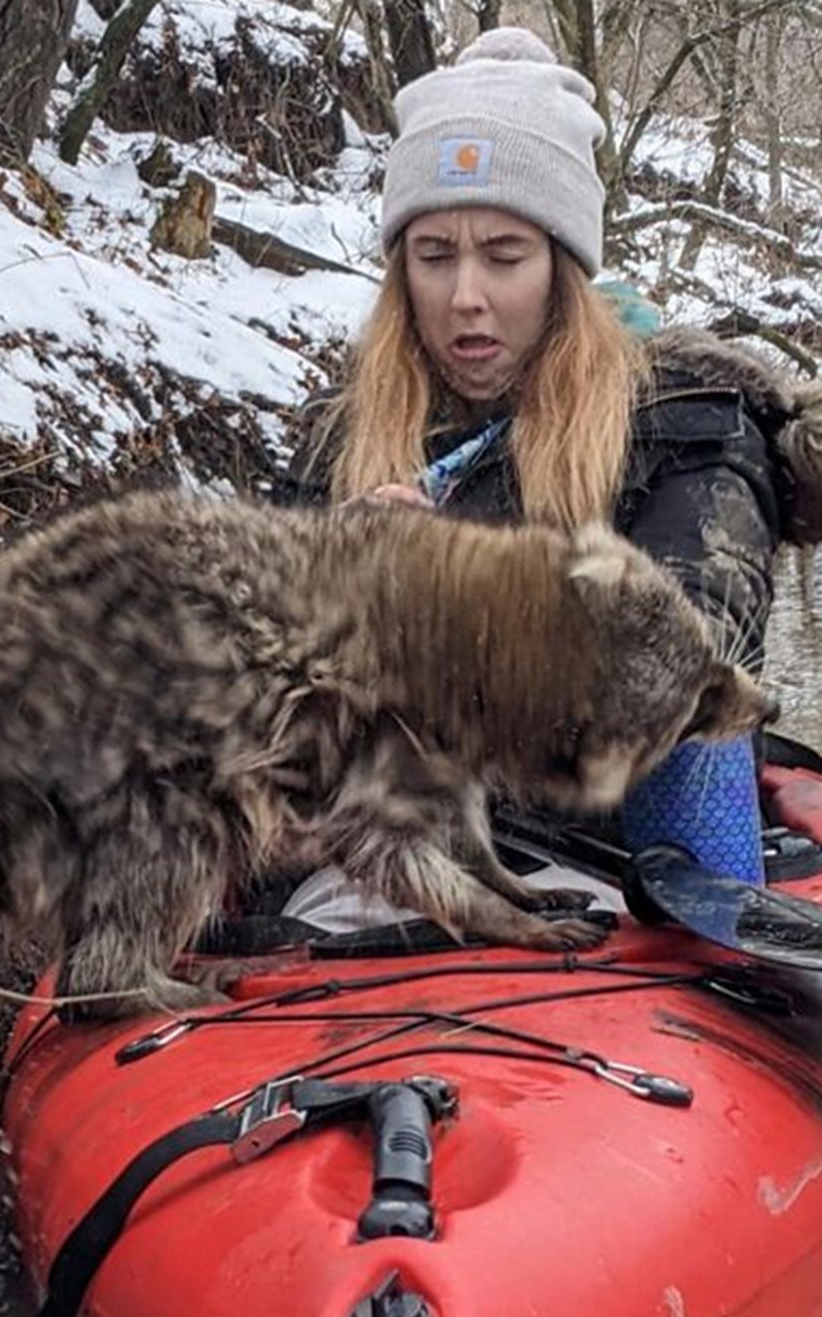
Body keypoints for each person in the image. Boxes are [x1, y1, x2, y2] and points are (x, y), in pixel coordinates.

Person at [272, 26, 822, 923]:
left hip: (621, 882)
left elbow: (683, 672)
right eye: (434, 255)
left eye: (504, 254)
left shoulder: (689, 423)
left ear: (565, 269)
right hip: (371, 870)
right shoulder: (340, 435)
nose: (466, 297)